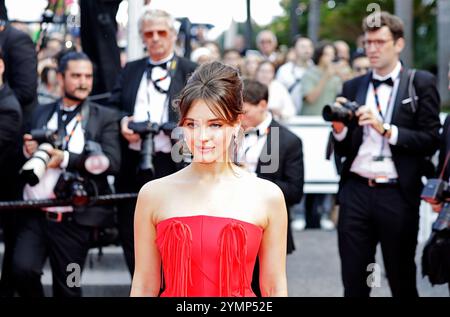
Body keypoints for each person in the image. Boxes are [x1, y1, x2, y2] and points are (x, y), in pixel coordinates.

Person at [130, 61, 288, 297]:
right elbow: (144, 285)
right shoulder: (153, 194)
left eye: (215, 125)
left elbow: (274, 287)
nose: (202, 137)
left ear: (236, 125)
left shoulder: (267, 196)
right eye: (191, 125)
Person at [331, 11, 441, 297]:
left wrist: (386, 129)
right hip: (356, 188)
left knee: (401, 277)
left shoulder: (420, 82)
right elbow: (342, 148)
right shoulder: (353, 85)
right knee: (355, 281)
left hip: (397, 192)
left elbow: (431, 140)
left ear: (399, 44)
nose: (372, 49)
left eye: (380, 42)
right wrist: (340, 129)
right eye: (368, 42)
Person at [12, 52, 121, 297]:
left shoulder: (103, 117)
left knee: (69, 285)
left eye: (88, 76)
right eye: (76, 75)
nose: (83, 81)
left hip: (74, 221)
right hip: (35, 214)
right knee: (22, 271)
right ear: (60, 78)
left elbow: (112, 162)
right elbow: (25, 150)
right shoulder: (41, 111)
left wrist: (67, 159)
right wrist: (28, 149)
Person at [108, 8, 197, 276]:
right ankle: (140, 285)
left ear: (173, 35)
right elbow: (113, 106)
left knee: (175, 229)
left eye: (161, 33)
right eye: (149, 34)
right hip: (133, 161)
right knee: (131, 227)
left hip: (175, 162)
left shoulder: (190, 70)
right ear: (142, 38)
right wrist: (123, 122)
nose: (156, 39)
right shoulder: (131, 69)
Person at [240, 79, 303, 296]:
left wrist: (251, 177)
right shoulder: (228, 133)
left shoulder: (288, 141)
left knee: (264, 289)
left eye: (245, 111)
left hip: (266, 227)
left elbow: (294, 191)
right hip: (228, 224)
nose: (239, 117)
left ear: (263, 105)